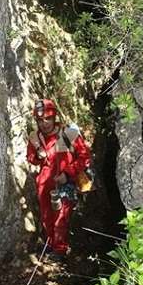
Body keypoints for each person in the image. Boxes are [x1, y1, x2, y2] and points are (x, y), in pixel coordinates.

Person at [27, 99, 91, 262]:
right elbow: (31, 158)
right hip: (44, 182)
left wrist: (68, 173)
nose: (44, 123)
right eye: (40, 120)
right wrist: (37, 156)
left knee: (61, 216)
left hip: (65, 182)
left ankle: (60, 249)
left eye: (48, 118)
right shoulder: (35, 137)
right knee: (46, 215)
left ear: (54, 116)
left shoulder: (69, 134)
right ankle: (51, 242)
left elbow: (85, 157)